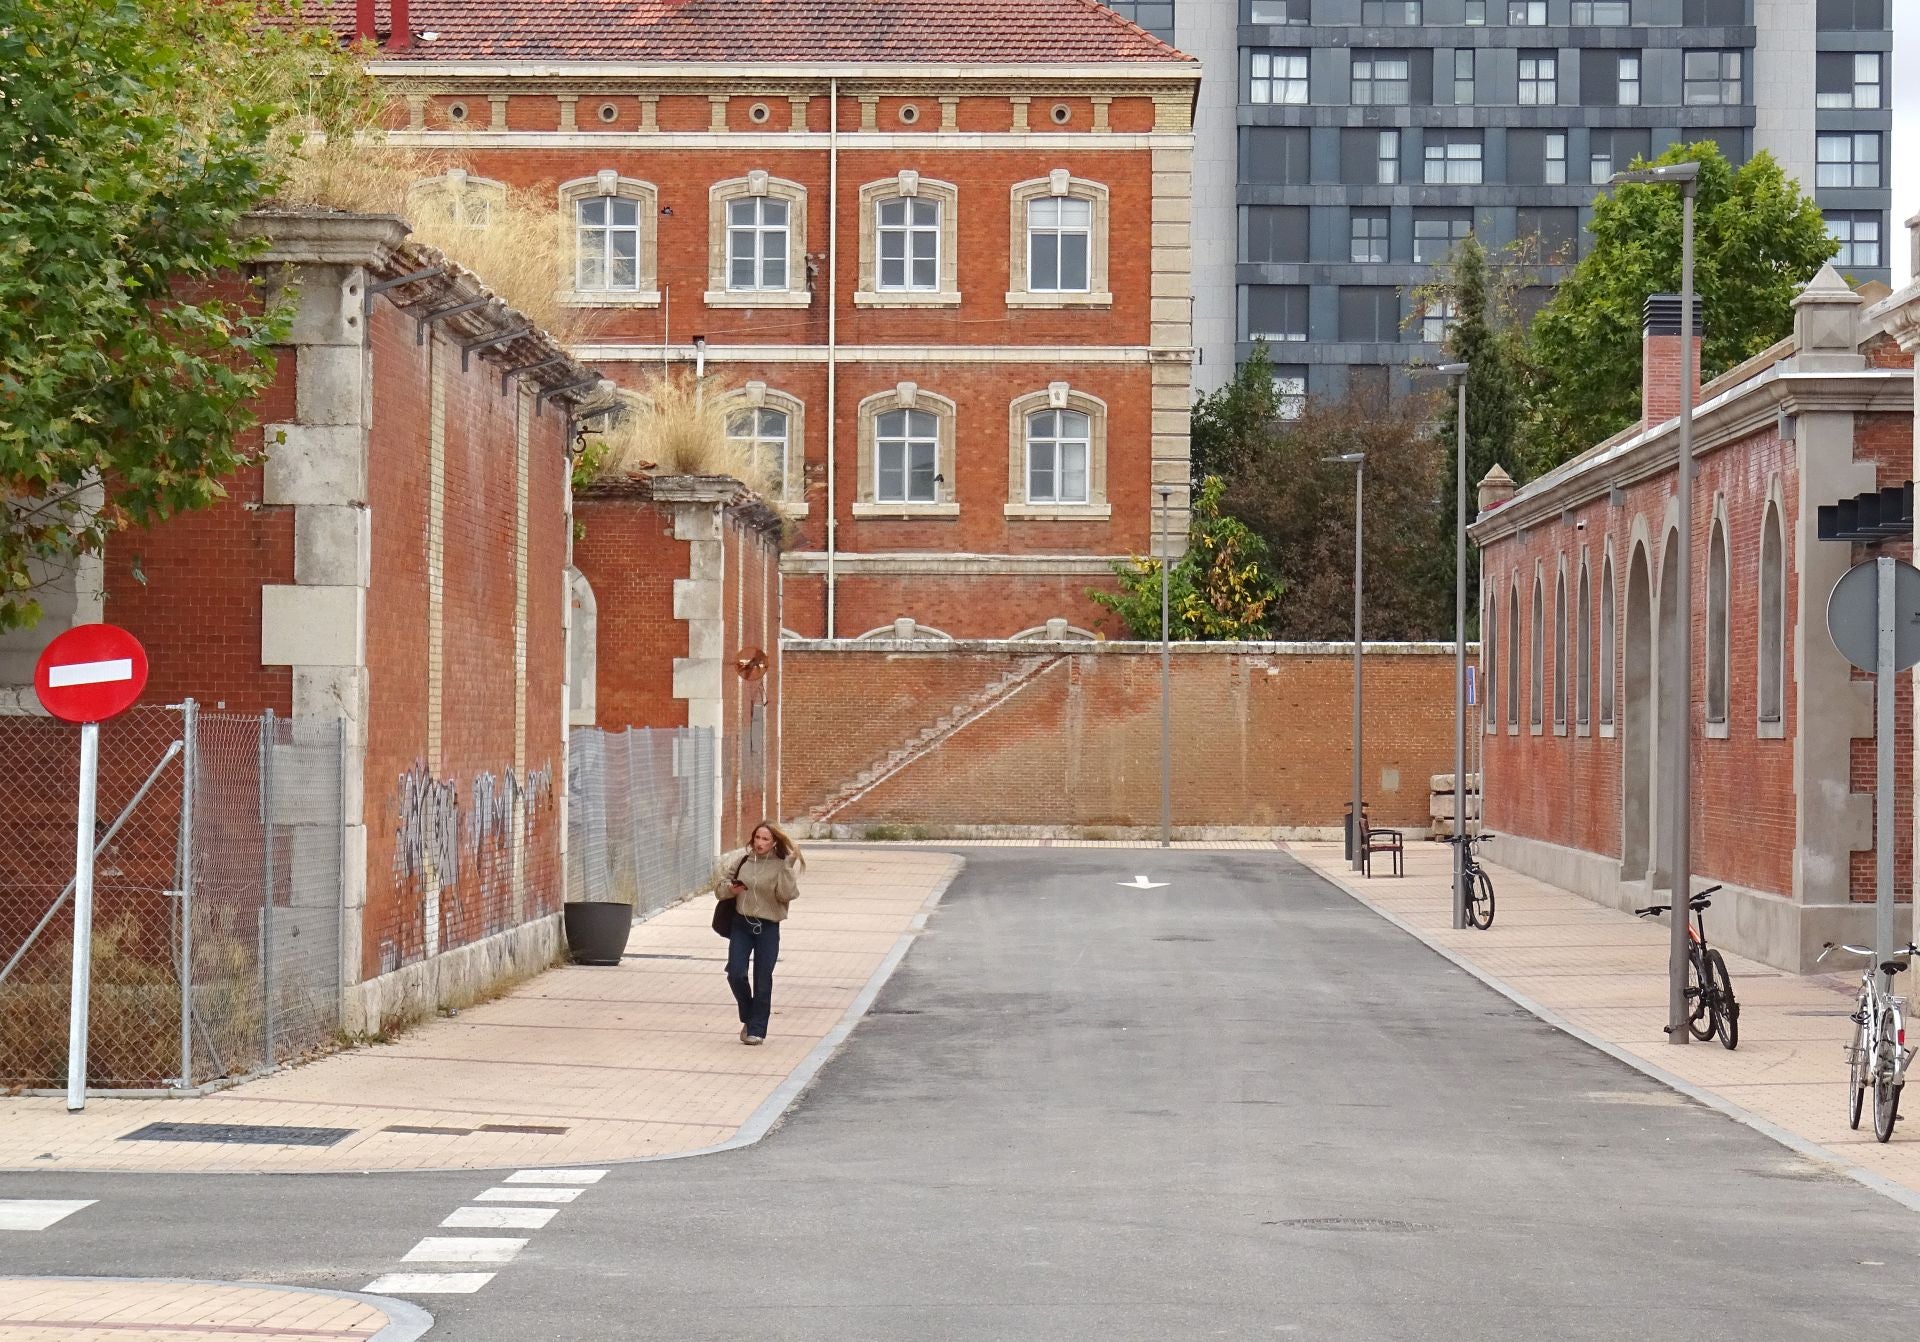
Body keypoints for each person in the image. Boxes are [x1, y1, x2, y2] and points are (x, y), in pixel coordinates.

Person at [714, 821, 804, 1045]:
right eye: (757, 838)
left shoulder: (780, 864)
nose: (760, 843)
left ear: (774, 842)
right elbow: (720, 888)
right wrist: (730, 889)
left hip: (768, 928)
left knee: (763, 978)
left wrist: (787, 867)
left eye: (765, 839)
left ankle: (757, 1030)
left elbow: (786, 895)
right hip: (741, 924)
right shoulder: (743, 861)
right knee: (736, 974)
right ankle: (749, 1016)